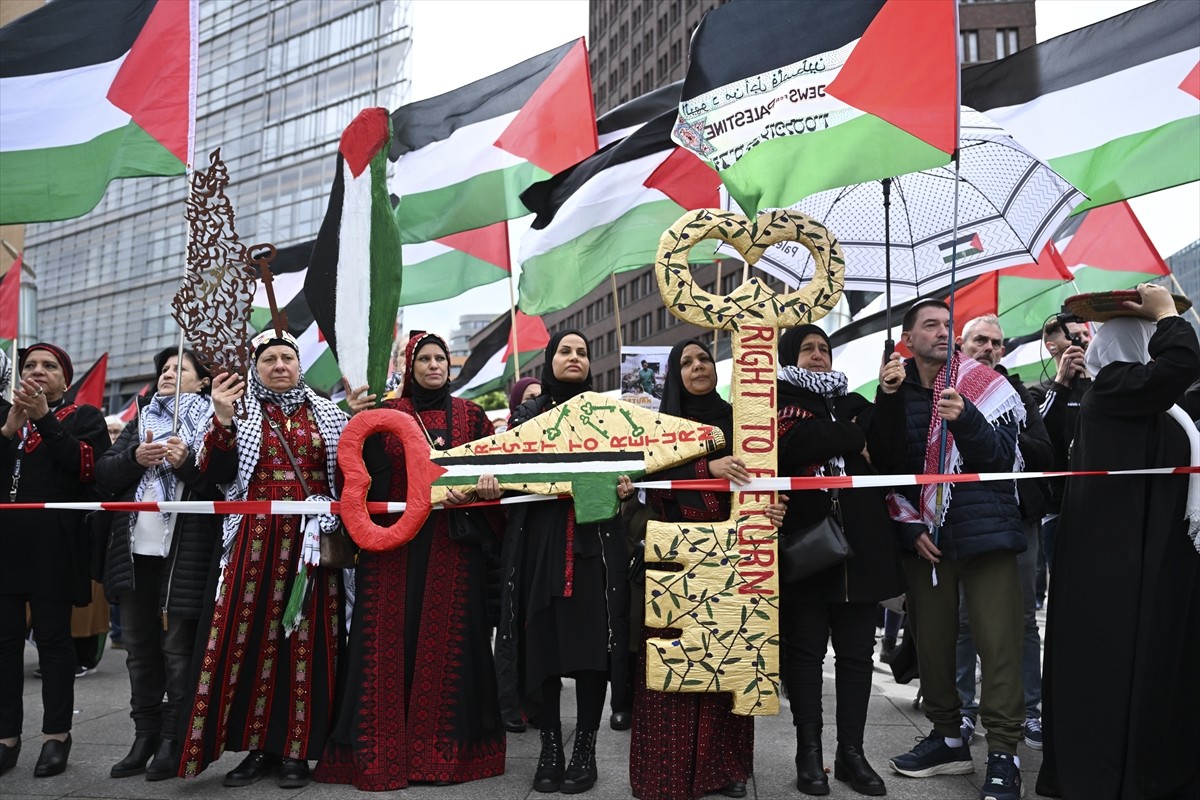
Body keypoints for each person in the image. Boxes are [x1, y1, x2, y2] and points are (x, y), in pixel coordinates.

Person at [316, 332, 505, 789]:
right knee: (387, 640)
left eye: (441, 358)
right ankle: (379, 754)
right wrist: (354, 423)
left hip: (452, 547)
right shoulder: (385, 416)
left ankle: (446, 758)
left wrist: (484, 488)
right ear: (410, 365)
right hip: (393, 550)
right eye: (426, 358)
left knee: (450, 642)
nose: (435, 365)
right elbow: (354, 470)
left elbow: (495, 471)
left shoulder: (472, 416)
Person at [1036, 284, 1200, 800]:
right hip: (1117, 565)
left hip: (1142, 554)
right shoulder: (1117, 388)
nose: (1154, 340)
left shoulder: (1141, 396)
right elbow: (1180, 363)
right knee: (1113, 672)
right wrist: (1170, 314)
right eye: (1146, 333)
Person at [179, 330, 347, 788]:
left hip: (312, 545)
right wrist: (221, 417)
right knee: (248, 639)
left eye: (286, 357)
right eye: (268, 358)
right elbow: (213, 474)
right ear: (255, 368)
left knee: (307, 643)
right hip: (255, 541)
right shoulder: (240, 411)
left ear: (300, 364)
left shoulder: (331, 413)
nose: (278, 365)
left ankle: (297, 750)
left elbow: (350, 475)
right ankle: (255, 748)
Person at [876, 300, 1027, 800]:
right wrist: (888, 399)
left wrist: (965, 420)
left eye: (948, 326)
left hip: (986, 536)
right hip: (927, 542)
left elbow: (1006, 457)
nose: (943, 333)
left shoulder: (985, 385)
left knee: (999, 646)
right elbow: (885, 471)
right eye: (931, 327)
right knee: (934, 645)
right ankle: (947, 739)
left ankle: (1004, 754)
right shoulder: (895, 388)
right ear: (909, 338)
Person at [631, 338, 769, 800]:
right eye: (686, 362)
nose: (697, 367)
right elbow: (648, 479)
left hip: (733, 555)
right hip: (674, 556)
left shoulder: (743, 422)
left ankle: (725, 769)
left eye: (704, 358)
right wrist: (708, 468)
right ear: (674, 374)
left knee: (727, 661)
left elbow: (763, 480)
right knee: (672, 663)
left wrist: (772, 508)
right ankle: (664, 771)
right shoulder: (658, 425)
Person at [775, 325, 906, 797]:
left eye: (824, 349)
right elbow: (794, 446)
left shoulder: (856, 402)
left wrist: (888, 396)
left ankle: (851, 754)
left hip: (862, 550)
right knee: (806, 655)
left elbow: (888, 453)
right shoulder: (777, 402)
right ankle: (808, 754)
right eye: (807, 348)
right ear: (790, 356)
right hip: (808, 550)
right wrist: (854, 438)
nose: (817, 355)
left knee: (856, 656)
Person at [500, 330, 629, 794]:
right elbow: (504, 474)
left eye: (582, 352)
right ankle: (550, 748)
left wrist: (629, 486)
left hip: (594, 547)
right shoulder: (526, 417)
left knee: (593, 653)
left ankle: (585, 751)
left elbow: (638, 466)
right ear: (549, 359)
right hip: (543, 547)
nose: (574, 358)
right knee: (546, 651)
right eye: (565, 351)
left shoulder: (611, 416)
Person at [95, 347, 220, 781]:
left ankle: (172, 741)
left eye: (179, 368)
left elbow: (221, 484)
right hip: (133, 554)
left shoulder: (212, 422)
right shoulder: (142, 420)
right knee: (139, 651)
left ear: (202, 381)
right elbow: (104, 474)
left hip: (184, 554)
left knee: (177, 653)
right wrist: (135, 459)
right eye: (164, 368)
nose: (168, 373)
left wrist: (184, 464)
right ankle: (143, 737)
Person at [1, 343, 110, 777]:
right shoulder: (6, 418)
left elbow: (87, 468)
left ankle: (56, 736)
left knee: (53, 643)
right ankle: (7, 735)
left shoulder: (84, 417)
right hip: (6, 547)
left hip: (54, 546)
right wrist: (8, 431)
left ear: (65, 377)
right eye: (30, 365)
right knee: (5, 644)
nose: (38, 370)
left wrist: (44, 419)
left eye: (49, 366)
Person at [954, 316, 1053, 751]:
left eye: (996, 343)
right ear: (962, 344)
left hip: (1017, 518)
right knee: (963, 621)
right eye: (980, 340)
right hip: (963, 519)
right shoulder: (946, 388)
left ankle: (1029, 711)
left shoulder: (1015, 394)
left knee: (1024, 621)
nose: (989, 348)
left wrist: (1003, 437)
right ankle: (961, 710)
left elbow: (1045, 451)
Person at [1028, 315, 1091, 608]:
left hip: (1100, 502)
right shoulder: (1039, 392)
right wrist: (1062, 382)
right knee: (1067, 594)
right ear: (1052, 346)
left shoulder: (1101, 388)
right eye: (1075, 336)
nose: (1085, 340)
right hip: (1058, 508)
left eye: (1087, 334)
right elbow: (1040, 427)